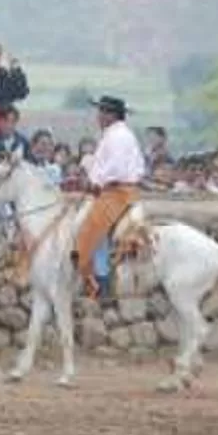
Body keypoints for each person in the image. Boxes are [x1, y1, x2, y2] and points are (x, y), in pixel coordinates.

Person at [73, 96, 146, 299]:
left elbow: (116, 168)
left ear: (111, 115)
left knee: (90, 229)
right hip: (117, 190)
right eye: (100, 112)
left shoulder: (118, 136)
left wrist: (95, 182)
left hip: (116, 192)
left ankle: (99, 282)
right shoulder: (117, 134)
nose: (98, 116)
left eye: (102, 112)